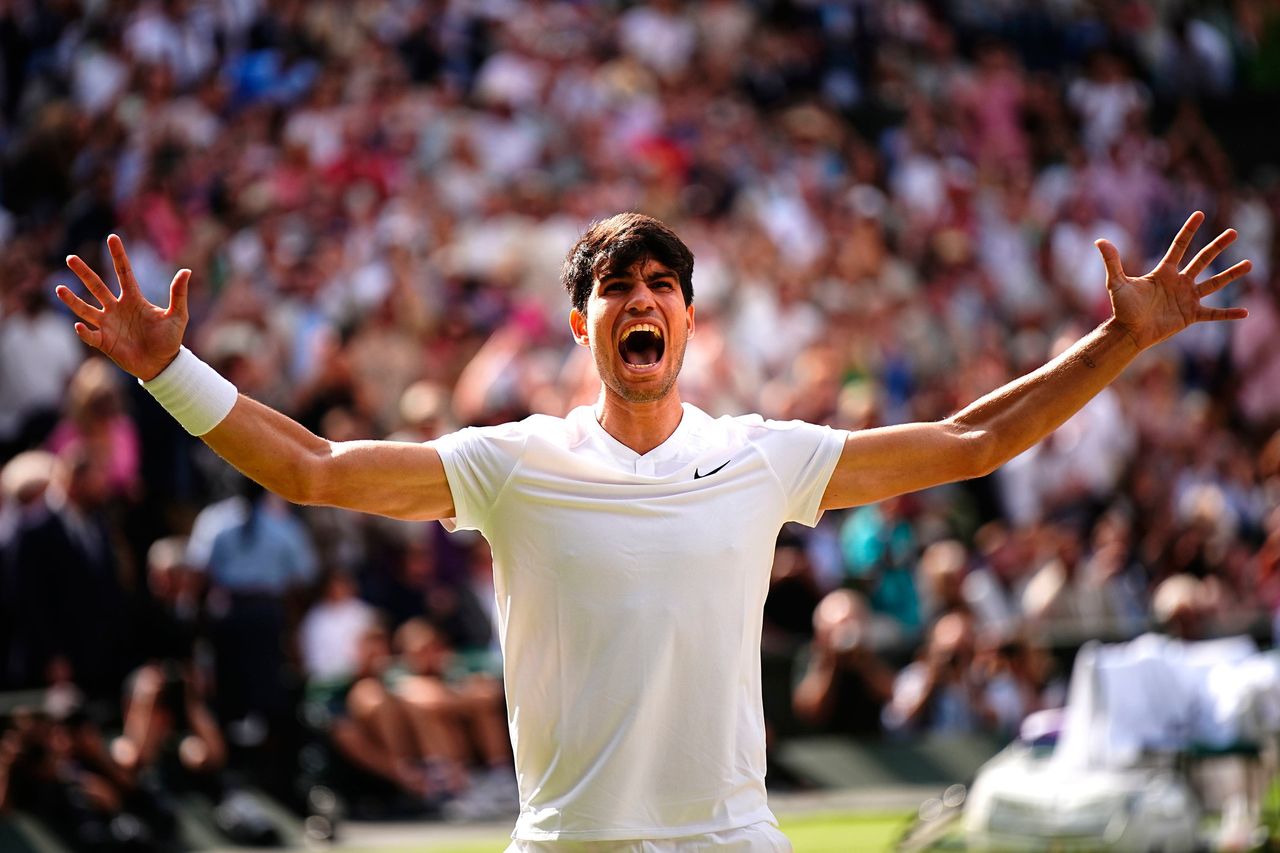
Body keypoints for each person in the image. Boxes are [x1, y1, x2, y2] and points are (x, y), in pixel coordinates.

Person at [56, 210, 1248, 851]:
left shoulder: (763, 454)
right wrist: (170, 373)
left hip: (732, 839)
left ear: (685, 319)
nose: (642, 300)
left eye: (662, 285)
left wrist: (1118, 342)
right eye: (617, 286)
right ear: (582, 323)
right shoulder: (512, 463)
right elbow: (313, 469)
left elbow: (970, 442)